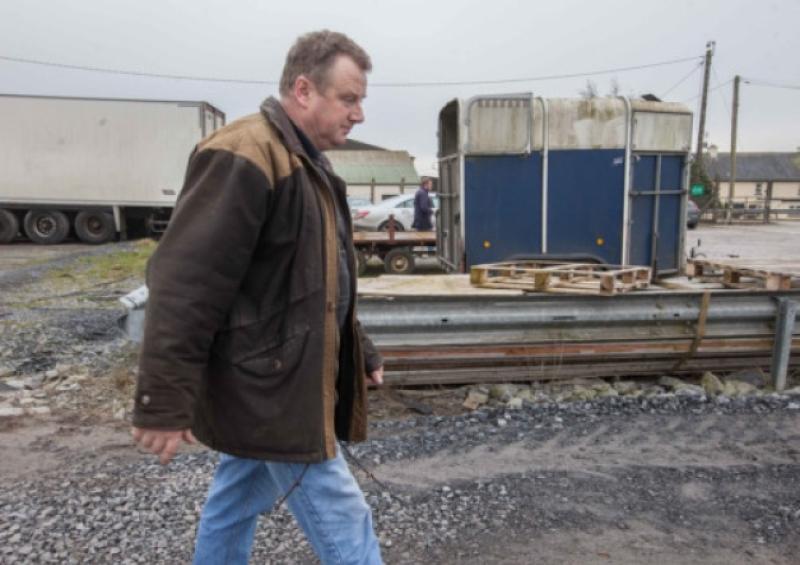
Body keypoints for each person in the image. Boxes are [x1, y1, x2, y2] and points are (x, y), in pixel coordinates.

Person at [131, 30, 385, 565]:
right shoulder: (245, 153)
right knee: (346, 520)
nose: (359, 114)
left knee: (235, 502)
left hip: (270, 379)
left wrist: (362, 351)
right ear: (303, 90)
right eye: (349, 98)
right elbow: (185, 282)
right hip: (275, 390)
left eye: (361, 100)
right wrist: (163, 400)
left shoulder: (309, 163)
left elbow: (320, 282)